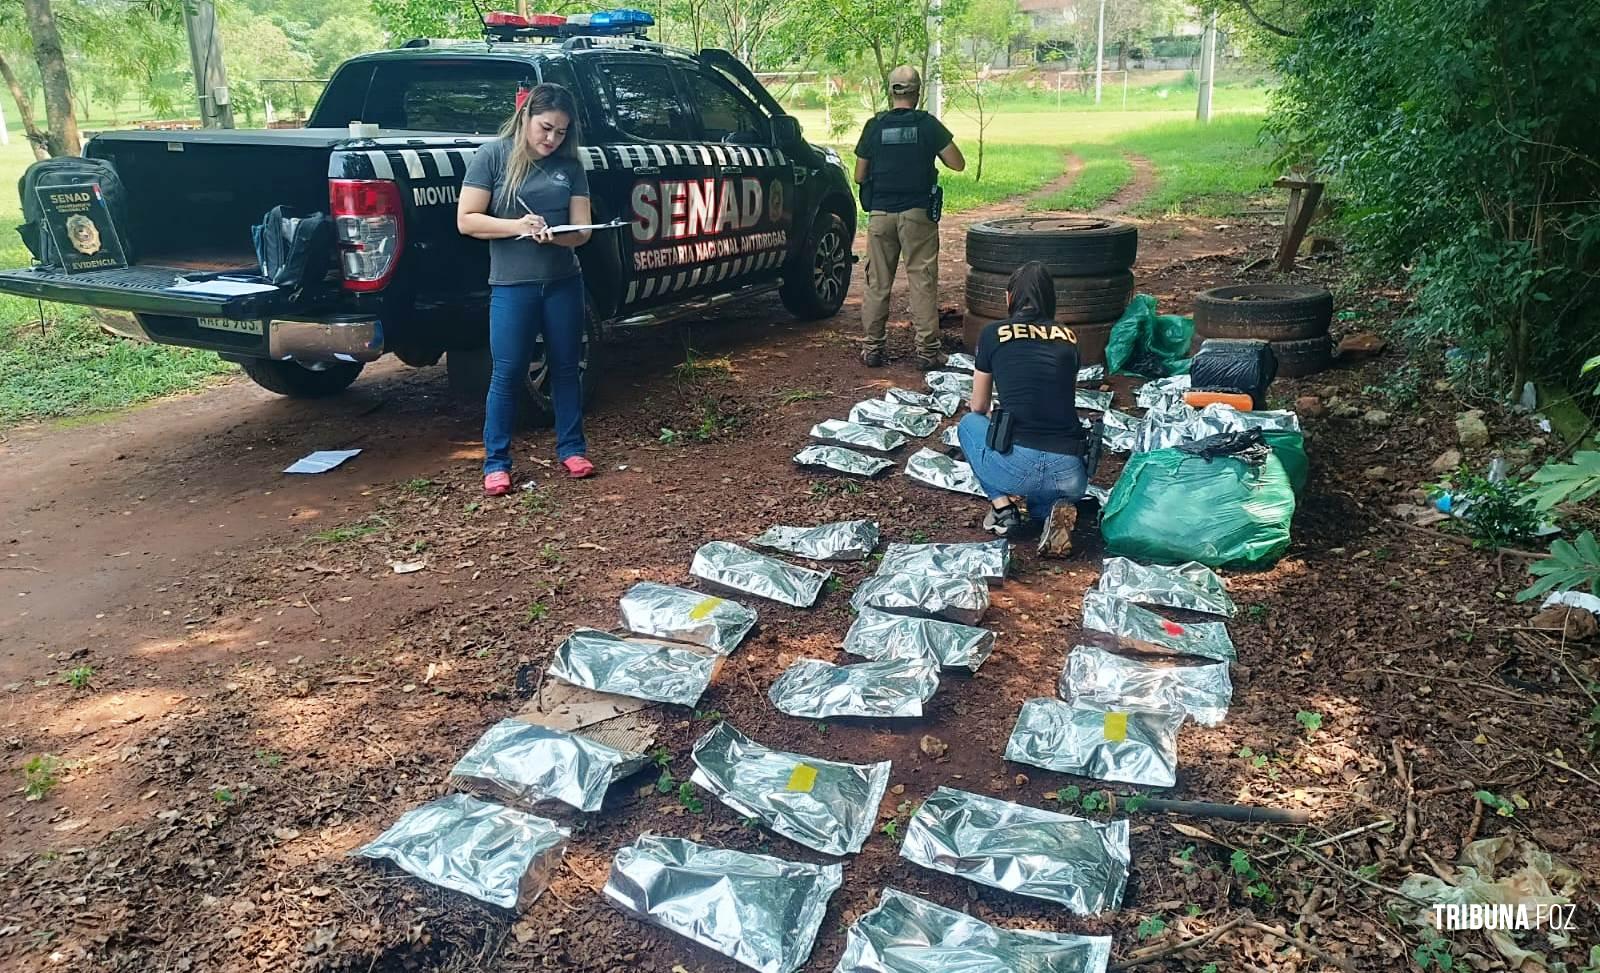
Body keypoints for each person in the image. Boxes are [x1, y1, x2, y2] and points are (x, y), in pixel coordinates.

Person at [458, 83, 595, 496]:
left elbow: (583, 231)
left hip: (563, 282)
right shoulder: (493, 156)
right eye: (546, 127)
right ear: (526, 117)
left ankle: (572, 448)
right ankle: (496, 462)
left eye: (561, 132)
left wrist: (557, 237)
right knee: (507, 371)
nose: (551, 139)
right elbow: (467, 220)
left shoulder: (570, 167)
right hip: (511, 285)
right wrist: (516, 226)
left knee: (566, 368)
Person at [955, 261, 1088, 557]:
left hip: (1017, 464)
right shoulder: (1069, 337)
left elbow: (979, 405)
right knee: (1047, 490)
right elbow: (1061, 394)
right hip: (1070, 470)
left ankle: (1003, 509)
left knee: (969, 424)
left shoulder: (992, 334)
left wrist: (991, 416)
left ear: (1009, 298)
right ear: (1050, 300)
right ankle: (1050, 512)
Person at [854, 65, 965, 370]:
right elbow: (958, 163)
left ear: (890, 91)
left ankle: (873, 349)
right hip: (918, 215)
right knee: (921, 281)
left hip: (880, 215)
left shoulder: (874, 126)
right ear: (917, 92)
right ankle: (928, 351)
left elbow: (859, 174)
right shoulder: (928, 125)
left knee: (877, 283)